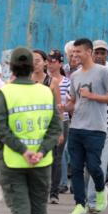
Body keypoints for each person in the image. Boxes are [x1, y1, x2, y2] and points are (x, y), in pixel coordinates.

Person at [0, 47, 62, 214]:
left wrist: (23, 151)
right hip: (42, 163)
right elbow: (56, 128)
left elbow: (1, 128)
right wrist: (41, 151)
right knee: (40, 212)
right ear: (33, 67)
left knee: (20, 210)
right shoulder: (45, 92)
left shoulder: (5, 92)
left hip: (13, 161)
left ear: (11, 67)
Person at [65, 38, 108, 214]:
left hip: (96, 128)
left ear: (89, 52)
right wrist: (65, 107)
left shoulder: (103, 72)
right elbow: (73, 101)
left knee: (94, 166)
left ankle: (99, 188)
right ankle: (80, 204)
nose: (74, 55)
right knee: (76, 168)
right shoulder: (74, 75)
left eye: (78, 52)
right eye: (73, 52)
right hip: (76, 127)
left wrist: (92, 96)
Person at [85, 39, 108, 212]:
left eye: (102, 53)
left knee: (100, 163)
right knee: (89, 163)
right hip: (89, 123)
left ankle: (92, 200)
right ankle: (92, 194)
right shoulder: (85, 71)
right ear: (91, 53)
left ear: (107, 54)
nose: (99, 56)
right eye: (96, 52)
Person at [45, 50, 70, 203]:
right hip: (44, 121)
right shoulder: (43, 80)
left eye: (53, 61)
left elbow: (70, 102)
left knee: (57, 157)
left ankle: (54, 192)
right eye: (48, 60)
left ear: (60, 63)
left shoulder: (67, 82)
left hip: (62, 120)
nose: (50, 63)